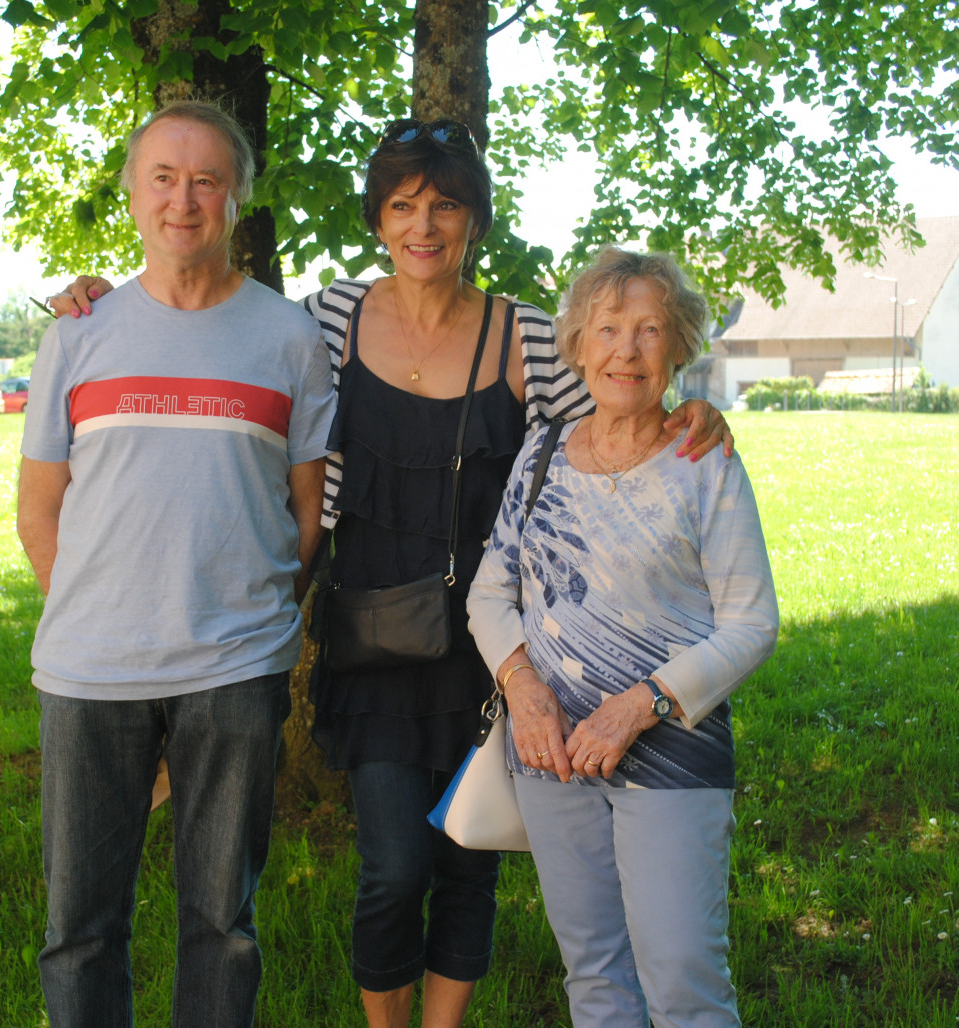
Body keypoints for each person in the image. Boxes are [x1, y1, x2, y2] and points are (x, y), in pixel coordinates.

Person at [47, 120, 732, 1028]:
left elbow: (614, 417)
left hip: (491, 645)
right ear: (378, 220)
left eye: (446, 205)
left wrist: (697, 409)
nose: (424, 225)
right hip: (373, 639)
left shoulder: (523, 335)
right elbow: (214, 341)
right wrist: (96, 298)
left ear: (474, 222)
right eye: (404, 205)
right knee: (391, 869)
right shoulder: (326, 320)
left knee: (468, 858)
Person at [15, 100, 336, 1028]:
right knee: (79, 927)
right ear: (132, 193)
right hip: (89, 671)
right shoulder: (78, 333)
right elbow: (41, 508)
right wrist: (94, 611)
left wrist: (263, 611)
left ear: (237, 199)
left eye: (206, 180)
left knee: (222, 923)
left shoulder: (289, 337)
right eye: (163, 176)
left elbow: (307, 509)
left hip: (235, 668)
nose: (183, 199)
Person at [466, 247, 779, 1028]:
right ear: (577, 345)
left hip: (671, 752)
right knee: (594, 976)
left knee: (683, 978)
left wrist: (641, 706)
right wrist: (524, 690)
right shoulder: (539, 456)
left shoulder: (705, 462)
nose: (626, 350)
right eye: (607, 329)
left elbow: (753, 623)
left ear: (678, 347)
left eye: (648, 330)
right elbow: (487, 593)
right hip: (551, 753)